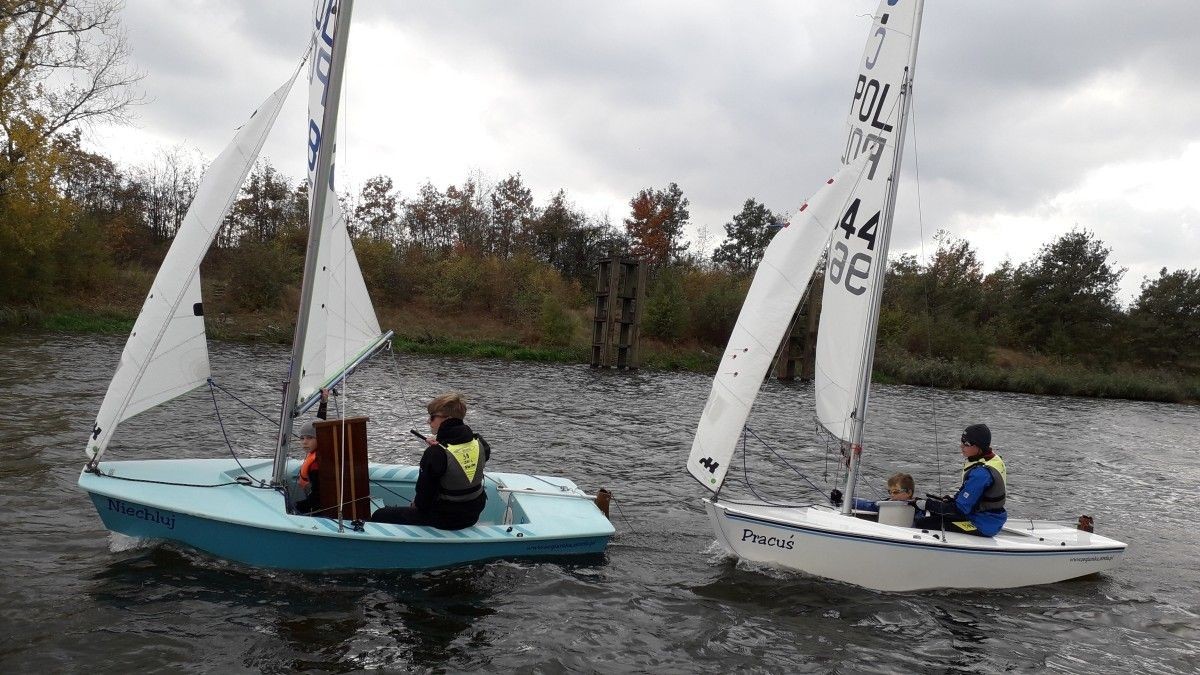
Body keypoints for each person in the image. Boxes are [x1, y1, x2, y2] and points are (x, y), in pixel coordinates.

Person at [371, 393, 491, 530]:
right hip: (473, 513)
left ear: (448, 419)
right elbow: (461, 454)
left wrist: (435, 452)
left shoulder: (435, 453)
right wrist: (441, 444)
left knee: (380, 515)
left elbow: (423, 502)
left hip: (445, 519)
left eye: (432, 417)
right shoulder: (480, 442)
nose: (429, 421)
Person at [915, 423, 1007, 536]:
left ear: (979, 447)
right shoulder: (990, 459)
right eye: (962, 441)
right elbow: (974, 495)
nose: (961, 446)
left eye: (966, 443)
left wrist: (927, 504)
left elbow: (960, 510)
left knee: (922, 522)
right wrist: (954, 498)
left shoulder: (981, 474)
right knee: (933, 513)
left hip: (981, 524)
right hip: (988, 518)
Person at [292, 389, 330, 516]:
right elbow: (320, 423)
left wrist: (297, 507)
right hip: (314, 500)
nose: (304, 442)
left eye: (309, 438)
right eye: (302, 438)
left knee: (294, 507)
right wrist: (324, 402)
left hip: (318, 507)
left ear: (320, 439)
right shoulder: (315, 454)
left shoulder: (316, 464)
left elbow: (318, 497)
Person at [851, 473, 926, 525]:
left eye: (896, 492)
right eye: (890, 492)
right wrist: (850, 501)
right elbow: (869, 505)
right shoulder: (887, 504)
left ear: (909, 492)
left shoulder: (919, 508)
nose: (892, 495)